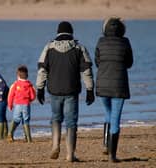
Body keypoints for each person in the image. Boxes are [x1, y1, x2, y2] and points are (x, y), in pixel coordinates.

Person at [36, 21, 94, 162]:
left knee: (56, 118)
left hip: (54, 90)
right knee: (71, 122)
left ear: (58, 32)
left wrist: (40, 89)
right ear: (71, 33)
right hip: (71, 91)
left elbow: (42, 70)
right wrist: (90, 89)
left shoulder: (48, 48)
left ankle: (55, 145)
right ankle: (70, 154)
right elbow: (86, 70)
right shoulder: (79, 48)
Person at [95, 17, 133, 162]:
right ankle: (112, 155)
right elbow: (129, 63)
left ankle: (106, 144)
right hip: (119, 85)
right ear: (122, 29)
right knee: (115, 117)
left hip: (102, 84)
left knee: (108, 113)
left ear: (105, 29)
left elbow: (97, 62)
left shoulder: (100, 41)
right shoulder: (125, 42)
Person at [7, 65, 36, 143]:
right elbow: (33, 96)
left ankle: (10, 133)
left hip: (17, 105)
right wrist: (29, 100)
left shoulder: (15, 84)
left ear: (18, 75)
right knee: (26, 120)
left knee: (16, 119)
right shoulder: (29, 85)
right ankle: (28, 139)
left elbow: (11, 95)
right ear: (27, 75)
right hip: (26, 105)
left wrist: (10, 105)